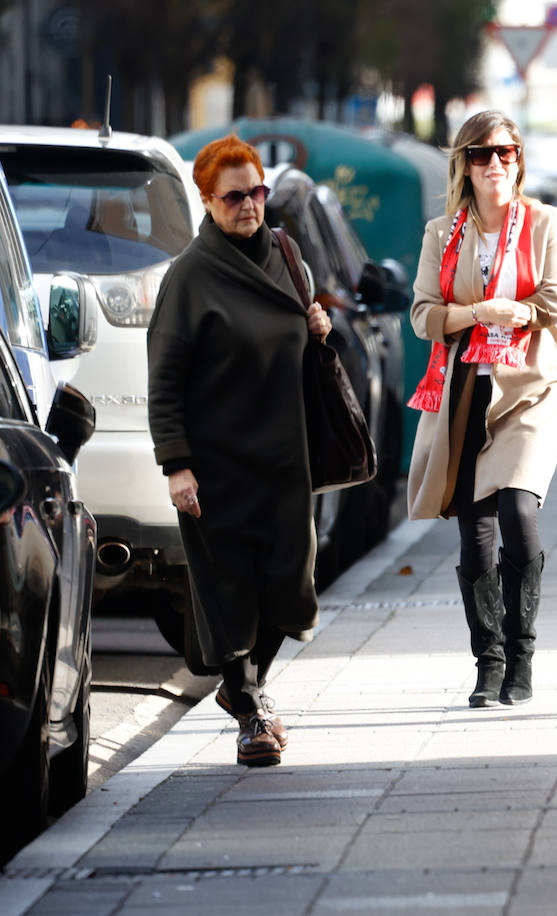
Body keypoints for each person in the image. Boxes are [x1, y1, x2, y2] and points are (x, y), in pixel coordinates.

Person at [148, 134, 333, 767]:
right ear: (207, 201)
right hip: (218, 467)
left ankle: (246, 693)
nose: (250, 205)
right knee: (229, 594)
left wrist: (317, 328)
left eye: (257, 191)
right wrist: (176, 464)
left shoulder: (287, 254)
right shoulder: (189, 277)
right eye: (235, 197)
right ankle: (249, 708)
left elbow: (302, 344)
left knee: (289, 589)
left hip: (286, 458)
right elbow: (165, 378)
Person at [406, 110, 557, 708]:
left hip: (529, 385)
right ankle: (489, 661)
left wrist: (517, 312)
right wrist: (479, 314)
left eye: (506, 152)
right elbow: (424, 315)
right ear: (465, 165)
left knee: (518, 514)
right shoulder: (441, 233)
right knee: (474, 532)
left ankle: (521, 656)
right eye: (481, 155)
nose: (495, 163)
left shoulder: (543, 222)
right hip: (465, 390)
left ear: (519, 160)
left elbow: (555, 299)